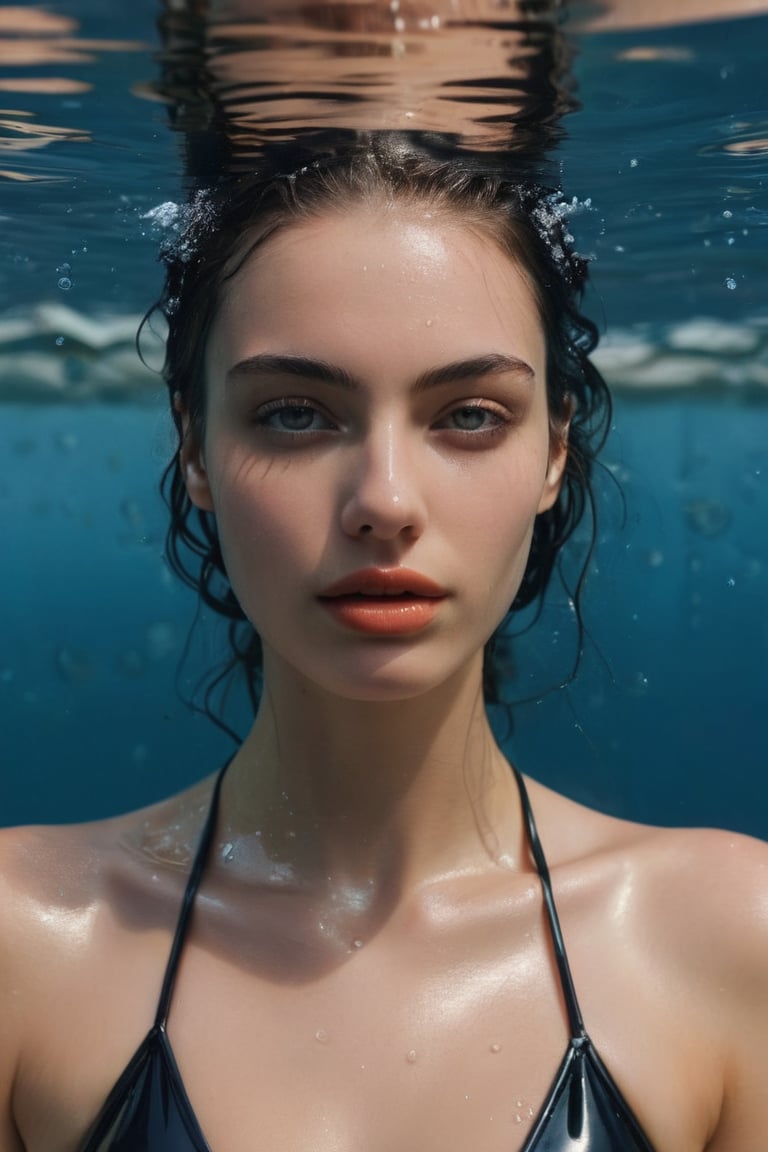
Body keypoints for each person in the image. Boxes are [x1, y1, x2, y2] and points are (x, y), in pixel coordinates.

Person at [1, 135, 766, 1152]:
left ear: (553, 453)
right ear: (193, 445)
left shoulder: (733, 939)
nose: (386, 502)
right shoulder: (21, 942)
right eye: (295, 414)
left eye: (469, 416)